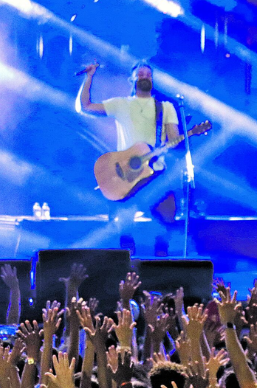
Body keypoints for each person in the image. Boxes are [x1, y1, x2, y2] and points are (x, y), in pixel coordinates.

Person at [77, 62, 181, 251]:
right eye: (140, 74)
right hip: (125, 175)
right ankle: (128, 272)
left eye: (148, 74)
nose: (145, 77)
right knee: (125, 230)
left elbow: (174, 139)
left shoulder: (165, 107)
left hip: (155, 173)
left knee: (166, 226)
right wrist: (89, 77)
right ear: (131, 79)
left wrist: (175, 142)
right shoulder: (121, 104)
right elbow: (85, 107)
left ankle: (162, 267)